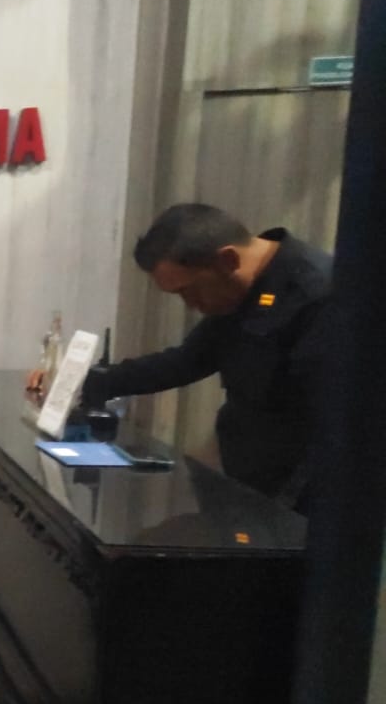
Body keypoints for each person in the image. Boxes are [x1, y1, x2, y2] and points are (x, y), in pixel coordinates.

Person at [30, 204, 331, 512]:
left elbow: (329, 430)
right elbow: (185, 362)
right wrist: (81, 381)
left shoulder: (316, 294)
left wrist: (283, 515)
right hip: (245, 490)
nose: (190, 305)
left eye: (189, 291)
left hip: (293, 507)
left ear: (228, 260)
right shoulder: (236, 288)